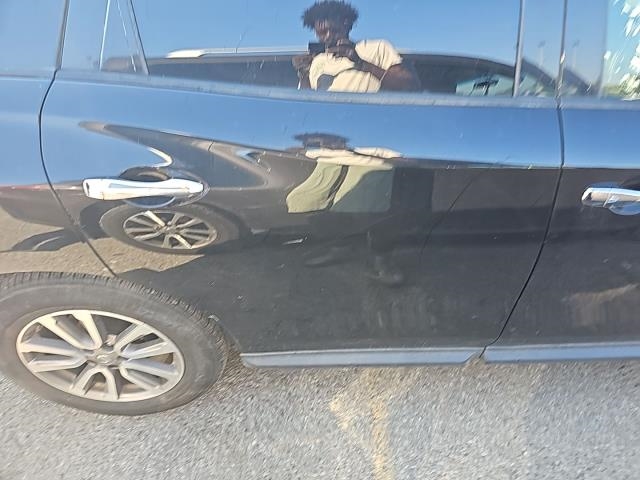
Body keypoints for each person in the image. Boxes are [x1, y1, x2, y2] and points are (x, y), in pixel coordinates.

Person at [293, 1, 420, 93]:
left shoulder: (377, 48)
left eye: (334, 30)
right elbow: (307, 101)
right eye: (321, 33)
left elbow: (409, 85)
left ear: (347, 25)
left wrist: (361, 63)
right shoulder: (316, 61)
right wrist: (304, 73)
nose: (328, 36)